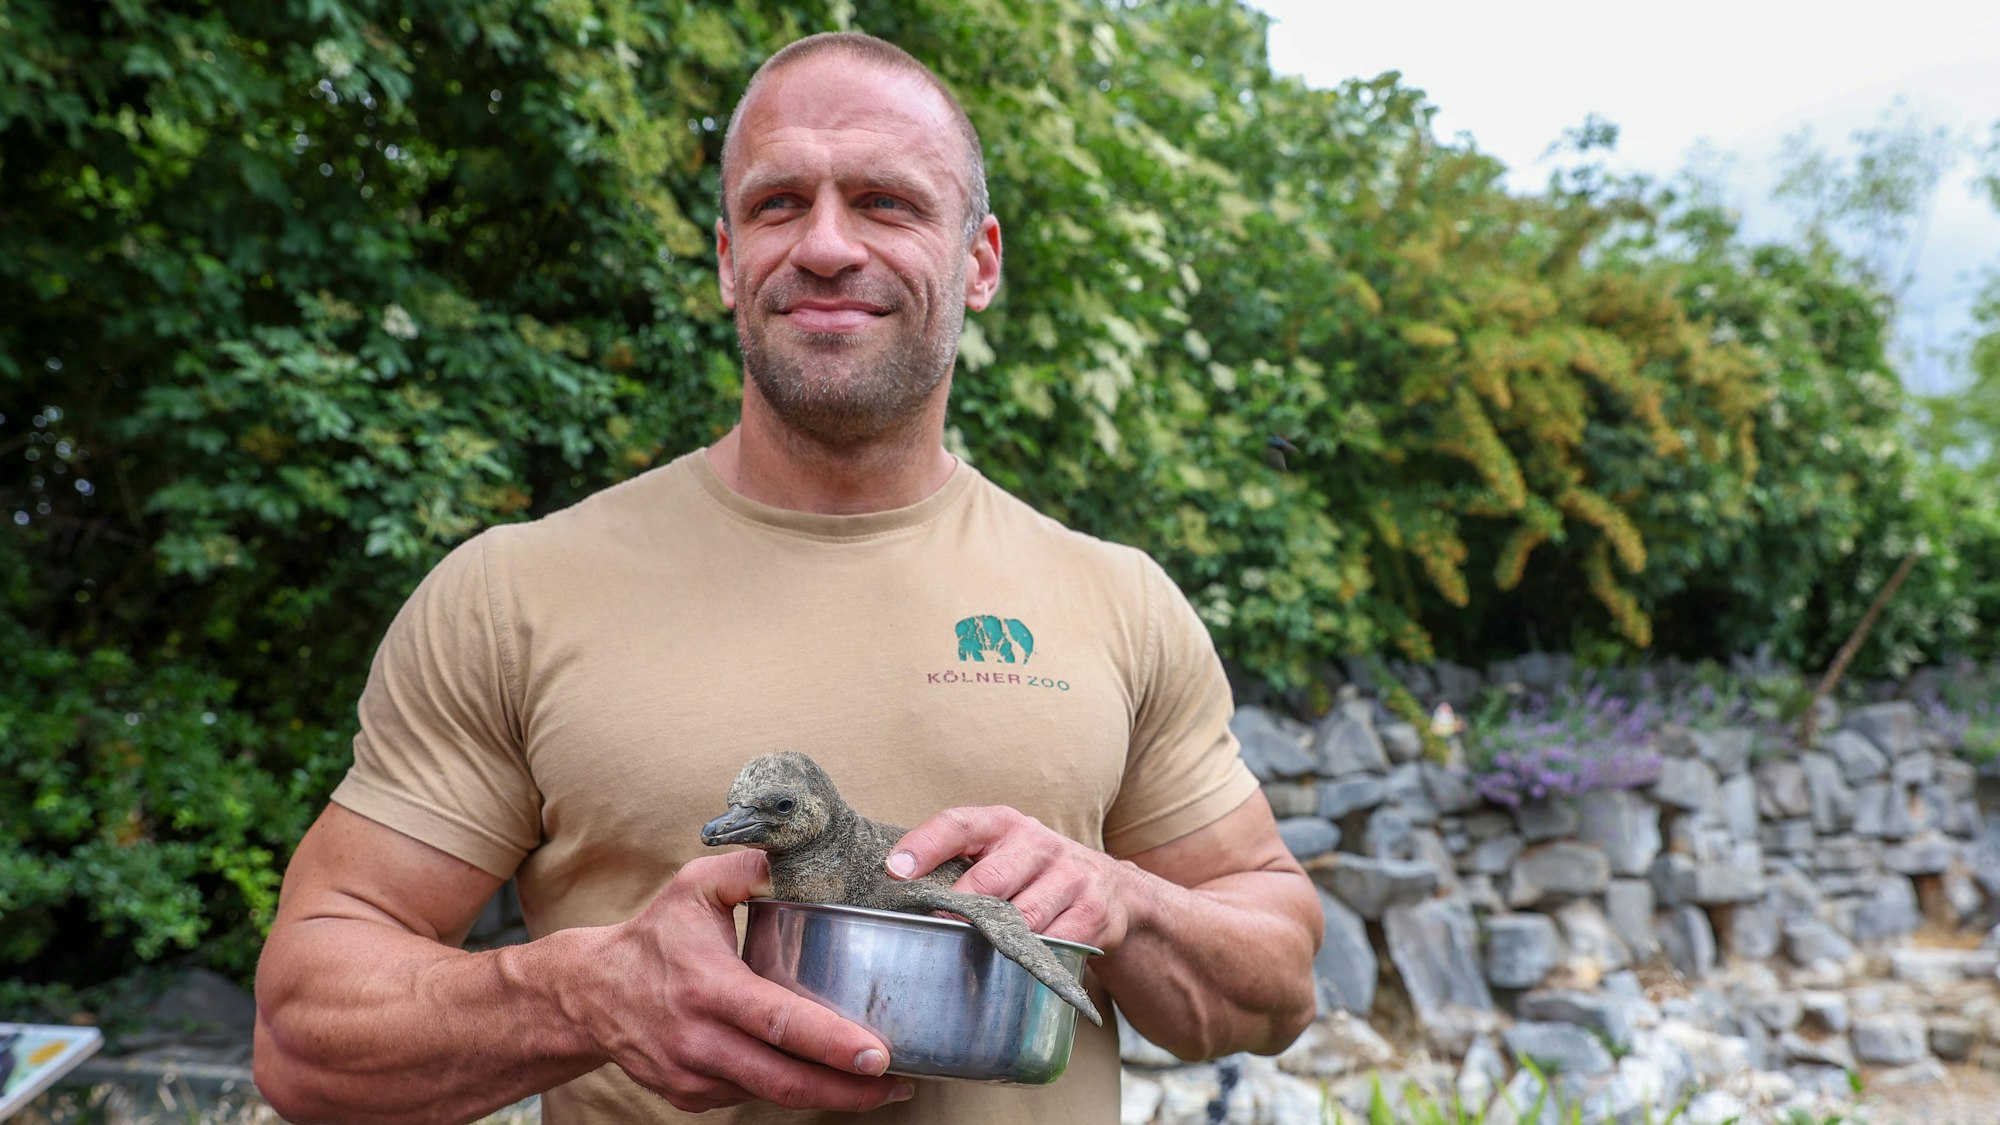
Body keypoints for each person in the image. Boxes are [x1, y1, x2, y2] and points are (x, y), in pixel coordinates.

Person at [252, 30, 1322, 1125]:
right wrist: (580, 997)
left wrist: (1129, 902)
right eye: (775, 205)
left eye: (885, 203)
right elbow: (303, 1039)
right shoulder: (513, 594)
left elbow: (1276, 981)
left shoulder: (1117, 602)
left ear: (980, 261)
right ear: (726, 261)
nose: (822, 246)